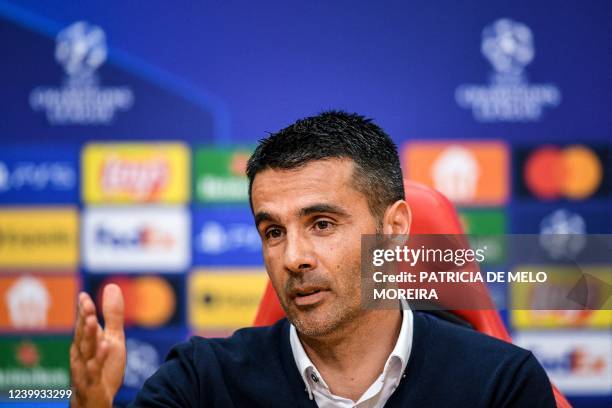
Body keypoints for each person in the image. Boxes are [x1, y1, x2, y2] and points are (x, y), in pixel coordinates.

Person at [70, 111, 556, 407]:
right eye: (274, 231)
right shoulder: (201, 379)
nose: (293, 257)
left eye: (322, 224)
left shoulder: (501, 383)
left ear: (394, 231)